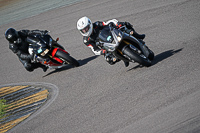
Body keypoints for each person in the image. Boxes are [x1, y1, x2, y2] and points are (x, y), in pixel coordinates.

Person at [77, 16, 146, 67]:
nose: (85, 30)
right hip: (106, 46)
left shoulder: (97, 24)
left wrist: (117, 24)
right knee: (109, 60)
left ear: (90, 24)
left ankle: (138, 36)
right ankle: (124, 58)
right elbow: (94, 50)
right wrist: (102, 51)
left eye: (86, 28)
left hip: (112, 35)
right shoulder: (86, 40)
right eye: (83, 30)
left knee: (125, 25)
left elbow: (109, 22)